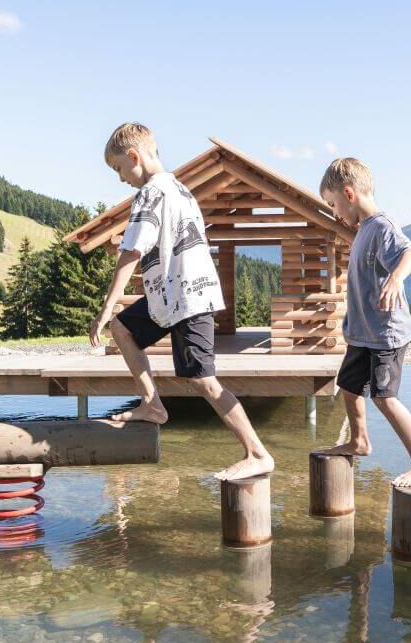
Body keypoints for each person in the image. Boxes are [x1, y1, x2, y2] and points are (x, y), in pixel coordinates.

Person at [89, 122, 274, 481]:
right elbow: (168, 241)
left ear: (134, 156)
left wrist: (107, 305)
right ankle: (153, 405)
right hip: (173, 296)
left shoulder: (150, 193)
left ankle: (257, 452)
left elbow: (131, 254)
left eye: (118, 169)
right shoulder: (180, 190)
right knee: (123, 328)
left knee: (203, 381)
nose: (120, 177)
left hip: (186, 298)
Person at [317, 157, 411, 488]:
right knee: (349, 387)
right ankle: (359, 441)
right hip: (363, 334)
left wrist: (397, 278)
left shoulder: (382, 226)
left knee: (384, 397)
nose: (333, 211)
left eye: (333, 203)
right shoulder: (363, 230)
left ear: (349, 193)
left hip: (386, 335)